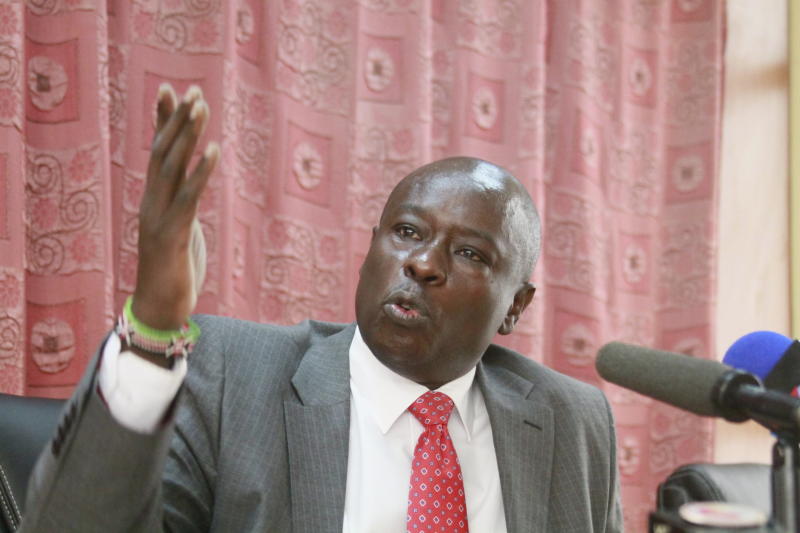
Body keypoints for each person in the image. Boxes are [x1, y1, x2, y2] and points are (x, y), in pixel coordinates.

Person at [20, 85, 623, 532]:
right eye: (407, 233)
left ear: (515, 307)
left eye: (467, 252)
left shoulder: (571, 418)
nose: (422, 264)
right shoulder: (234, 375)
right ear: (371, 248)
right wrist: (152, 329)